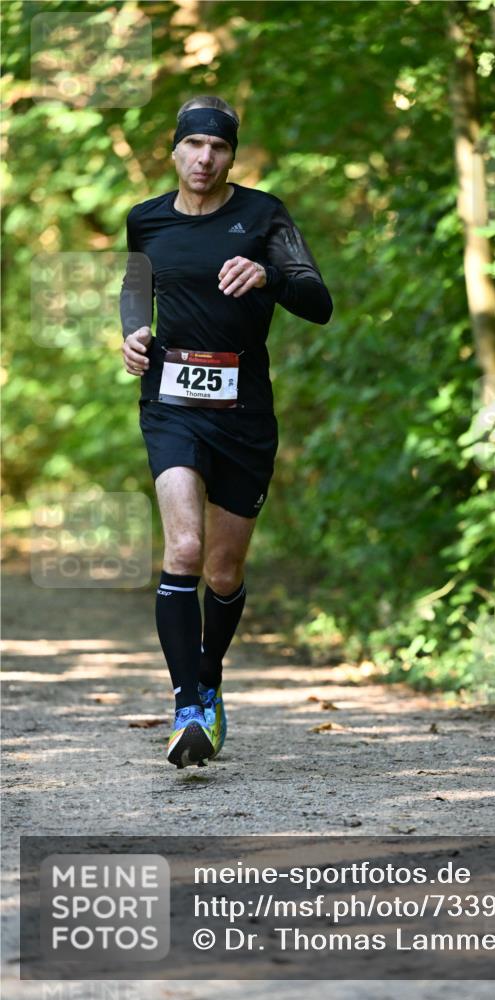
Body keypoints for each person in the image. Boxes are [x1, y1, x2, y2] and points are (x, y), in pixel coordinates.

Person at [119, 95, 333, 769]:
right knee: (183, 546)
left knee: (222, 567)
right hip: (171, 402)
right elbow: (135, 284)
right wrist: (131, 332)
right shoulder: (145, 219)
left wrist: (269, 273)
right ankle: (187, 706)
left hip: (244, 412)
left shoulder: (263, 215)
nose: (205, 158)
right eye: (194, 146)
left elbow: (318, 302)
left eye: (218, 148)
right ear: (174, 152)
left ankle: (209, 678)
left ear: (230, 156)